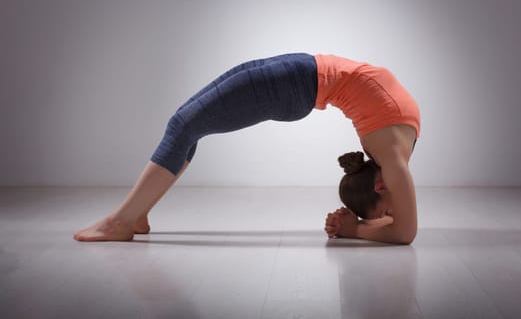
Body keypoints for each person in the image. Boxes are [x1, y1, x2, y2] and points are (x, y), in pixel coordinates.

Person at [74, 53, 420, 244]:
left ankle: (128, 218)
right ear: (379, 186)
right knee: (184, 125)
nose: (389, 217)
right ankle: (129, 219)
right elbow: (405, 232)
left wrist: (357, 226)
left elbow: (399, 227)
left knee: (184, 125)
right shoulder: (392, 156)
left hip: (297, 73)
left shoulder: (398, 140)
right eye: (382, 215)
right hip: (293, 82)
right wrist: (354, 229)